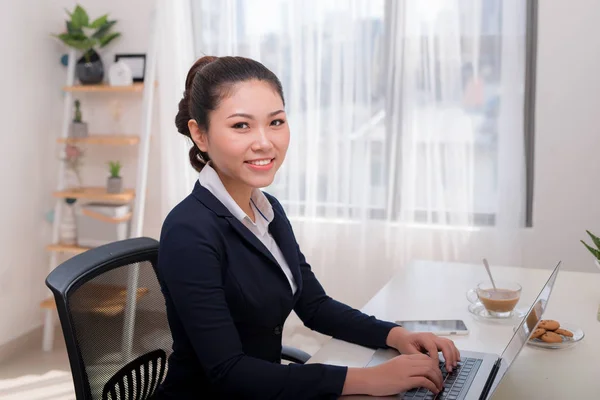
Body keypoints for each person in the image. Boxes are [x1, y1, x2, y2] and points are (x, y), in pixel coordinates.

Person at [155, 55, 461, 399]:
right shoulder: (189, 231)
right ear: (200, 134)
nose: (264, 142)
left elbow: (314, 306)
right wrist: (370, 380)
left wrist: (396, 336)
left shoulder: (268, 211)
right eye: (241, 126)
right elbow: (228, 371)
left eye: (276, 122)